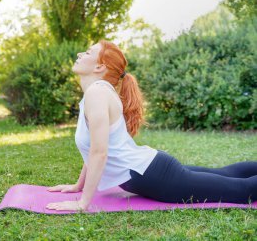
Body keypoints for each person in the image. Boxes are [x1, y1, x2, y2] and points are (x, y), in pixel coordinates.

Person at [45, 40, 257, 212]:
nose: (80, 54)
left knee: (241, 192)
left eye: (88, 52)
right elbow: (94, 148)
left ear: (100, 66)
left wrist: (83, 203)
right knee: (226, 174)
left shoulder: (97, 93)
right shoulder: (94, 94)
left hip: (155, 176)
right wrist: (77, 186)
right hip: (150, 169)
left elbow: (100, 153)